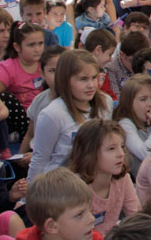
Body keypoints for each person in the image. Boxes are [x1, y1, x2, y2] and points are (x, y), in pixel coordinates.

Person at [29, 48, 108, 181]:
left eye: (94, 78)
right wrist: (30, 197)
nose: (91, 85)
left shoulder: (106, 104)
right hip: (60, 186)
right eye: (83, 79)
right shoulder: (52, 114)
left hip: (94, 183)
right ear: (65, 80)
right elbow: (40, 160)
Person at [68, 119, 141, 231]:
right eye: (111, 149)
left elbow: (136, 218)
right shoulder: (75, 188)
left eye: (122, 147)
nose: (121, 154)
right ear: (89, 153)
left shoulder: (123, 179)